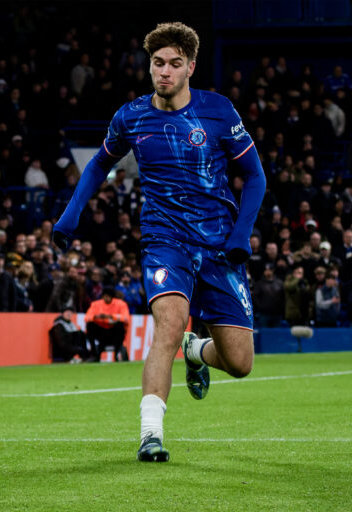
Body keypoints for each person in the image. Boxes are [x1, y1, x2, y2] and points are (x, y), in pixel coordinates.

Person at [52, 23, 266, 462]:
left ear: (190, 67)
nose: (163, 72)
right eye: (156, 63)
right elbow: (97, 166)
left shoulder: (219, 112)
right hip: (164, 239)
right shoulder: (131, 116)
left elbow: (256, 177)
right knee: (169, 324)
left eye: (172, 64)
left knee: (241, 363)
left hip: (219, 245)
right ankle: (151, 434)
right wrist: (71, 213)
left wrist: (241, 234)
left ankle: (198, 350)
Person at [84, 286, 130, 362]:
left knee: (120, 325)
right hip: (101, 331)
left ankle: (117, 354)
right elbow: (87, 318)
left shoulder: (121, 304)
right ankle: (94, 354)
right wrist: (95, 317)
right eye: (104, 296)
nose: (106, 298)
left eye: (108, 296)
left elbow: (126, 318)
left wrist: (111, 316)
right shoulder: (95, 304)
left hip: (114, 332)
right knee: (90, 325)